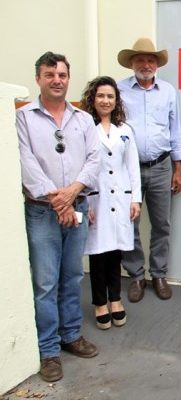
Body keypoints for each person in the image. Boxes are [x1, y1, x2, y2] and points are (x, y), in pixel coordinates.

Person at [16, 51, 100, 382]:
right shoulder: (23, 118)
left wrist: (71, 195)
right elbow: (26, 162)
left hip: (76, 207)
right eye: (50, 74)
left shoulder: (83, 120)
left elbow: (94, 160)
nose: (57, 80)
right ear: (38, 78)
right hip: (42, 212)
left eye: (62, 75)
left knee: (73, 278)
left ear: (68, 78)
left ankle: (70, 335)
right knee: (45, 282)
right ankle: (48, 349)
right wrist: (58, 199)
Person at [117, 37, 181, 302]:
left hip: (160, 167)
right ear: (132, 63)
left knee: (162, 224)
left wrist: (177, 169)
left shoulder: (168, 91)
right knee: (129, 223)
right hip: (127, 169)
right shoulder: (119, 89)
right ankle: (136, 275)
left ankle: (158, 274)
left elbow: (175, 129)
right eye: (140, 59)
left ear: (156, 64)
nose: (145, 64)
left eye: (150, 60)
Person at [79, 76, 142, 329]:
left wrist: (135, 198)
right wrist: (83, 202)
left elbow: (132, 166)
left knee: (115, 251)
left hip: (121, 197)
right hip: (96, 198)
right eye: (101, 96)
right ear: (92, 99)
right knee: (97, 253)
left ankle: (116, 299)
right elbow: (79, 165)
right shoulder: (84, 128)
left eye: (110, 96)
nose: (105, 101)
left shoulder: (125, 130)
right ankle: (99, 303)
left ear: (116, 101)